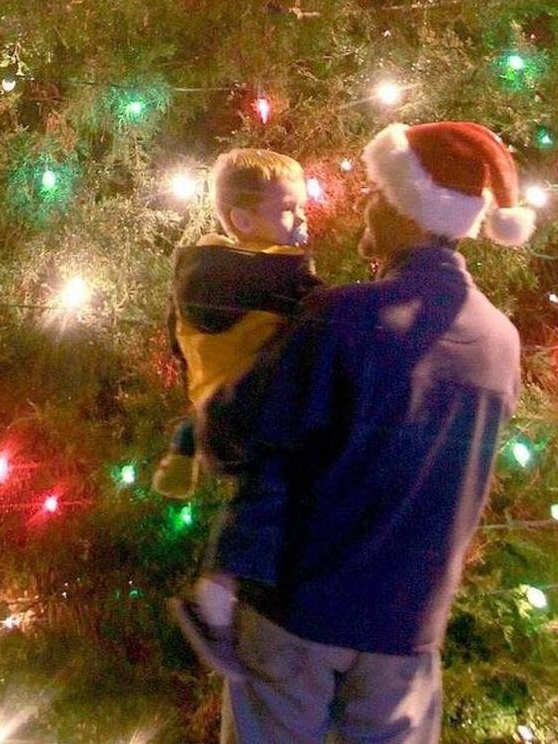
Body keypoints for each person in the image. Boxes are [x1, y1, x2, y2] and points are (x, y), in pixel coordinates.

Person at [200, 121, 534, 743]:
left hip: (297, 619)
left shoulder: (344, 318)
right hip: (406, 636)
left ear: (410, 210)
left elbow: (234, 432)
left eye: (379, 192)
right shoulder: (501, 344)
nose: (364, 202)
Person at [153, 148, 321, 679]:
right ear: (244, 220)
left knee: (265, 493)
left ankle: (237, 598)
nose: (303, 220)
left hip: (217, 405)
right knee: (268, 492)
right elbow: (326, 311)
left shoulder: (200, 270)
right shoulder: (278, 278)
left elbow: (177, 341)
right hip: (248, 409)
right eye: (290, 209)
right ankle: (214, 600)